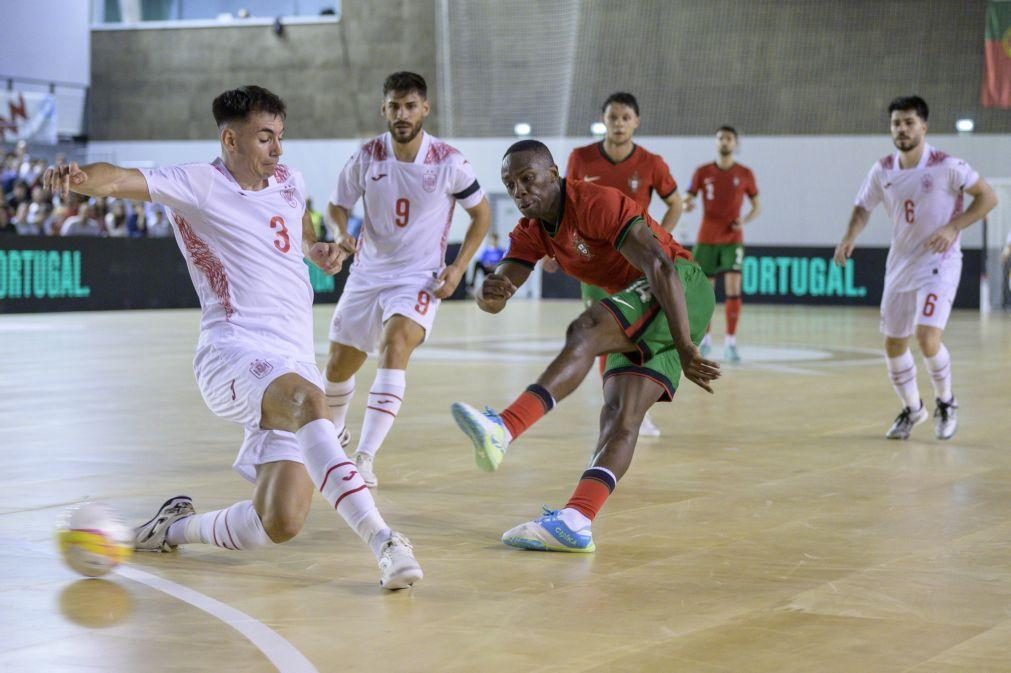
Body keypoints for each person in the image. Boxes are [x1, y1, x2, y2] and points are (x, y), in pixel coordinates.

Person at [43, 85, 422, 590]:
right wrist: (77, 178)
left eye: (280, 137)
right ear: (230, 140)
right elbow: (117, 181)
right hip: (233, 352)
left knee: (280, 520)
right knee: (313, 402)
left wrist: (315, 249)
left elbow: (297, 225)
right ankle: (385, 541)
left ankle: (170, 530)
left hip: (291, 358)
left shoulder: (288, 179)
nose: (277, 149)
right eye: (265, 138)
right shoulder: (197, 184)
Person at [451, 140, 719, 552]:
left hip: (679, 288)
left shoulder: (595, 202)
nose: (520, 191)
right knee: (619, 416)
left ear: (554, 173)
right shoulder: (531, 231)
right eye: (511, 184)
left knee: (586, 327)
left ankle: (504, 427)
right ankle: (577, 519)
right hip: (646, 304)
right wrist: (490, 292)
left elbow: (660, 265)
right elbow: (499, 290)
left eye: (528, 179)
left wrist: (684, 344)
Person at [322, 71, 490, 489]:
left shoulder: (449, 161)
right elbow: (335, 206)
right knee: (338, 366)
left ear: (425, 109)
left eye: (410, 105)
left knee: (394, 345)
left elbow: (482, 215)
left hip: (419, 277)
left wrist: (459, 266)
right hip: (366, 272)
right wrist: (342, 233)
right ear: (384, 108)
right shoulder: (366, 156)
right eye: (394, 106)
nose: (402, 114)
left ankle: (363, 457)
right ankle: (333, 436)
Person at [834, 95, 997, 441]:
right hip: (901, 263)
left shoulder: (947, 164)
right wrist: (849, 237)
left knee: (926, 337)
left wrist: (954, 227)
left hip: (940, 261)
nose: (902, 129)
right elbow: (862, 207)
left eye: (909, 122)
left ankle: (946, 401)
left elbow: (988, 197)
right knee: (893, 344)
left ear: (924, 126)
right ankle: (914, 409)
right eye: (896, 123)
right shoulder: (883, 169)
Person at [565, 92, 682, 438]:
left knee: (637, 335)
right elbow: (567, 204)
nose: (618, 123)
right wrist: (555, 248)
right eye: (612, 117)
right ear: (604, 120)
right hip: (593, 262)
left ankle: (633, 408)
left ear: (636, 122)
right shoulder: (580, 158)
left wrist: (659, 240)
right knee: (603, 332)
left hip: (635, 264)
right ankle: (613, 408)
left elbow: (675, 204)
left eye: (625, 117)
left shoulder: (652, 163)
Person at [683, 126, 760, 363]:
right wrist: (686, 205)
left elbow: (757, 205)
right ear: (716, 142)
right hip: (706, 238)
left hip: (732, 239)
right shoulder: (702, 172)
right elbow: (688, 197)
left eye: (728, 138)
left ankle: (730, 342)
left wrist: (744, 220)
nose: (724, 142)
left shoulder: (745, 173)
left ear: (735, 143)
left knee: (733, 288)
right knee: (706, 291)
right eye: (720, 138)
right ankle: (705, 340)